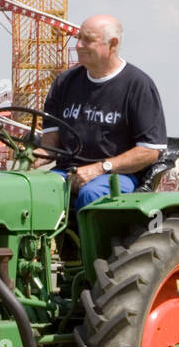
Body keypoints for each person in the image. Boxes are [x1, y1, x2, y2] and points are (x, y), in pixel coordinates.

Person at [39, 14, 166, 210]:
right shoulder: (64, 83)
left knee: (92, 194)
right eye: (78, 37)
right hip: (66, 171)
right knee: (29, 187)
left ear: (112, 44)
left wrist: (100, 168)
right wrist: (28, 159)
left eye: (87, 39)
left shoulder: (137, 85)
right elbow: (49, 147)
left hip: (117, 175)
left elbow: (149, 151)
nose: (79, 45)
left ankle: (84, 241)